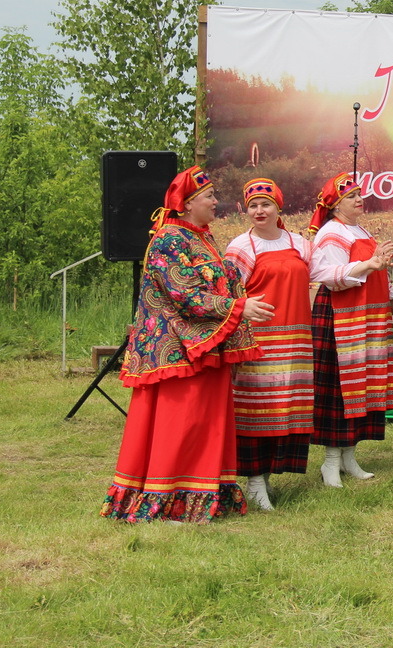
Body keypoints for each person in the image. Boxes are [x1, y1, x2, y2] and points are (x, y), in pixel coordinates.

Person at [100, 165, 274, 524]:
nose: (215, 201)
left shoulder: (202, 237)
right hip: (177, 350)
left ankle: (199, 498)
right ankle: (167, 500)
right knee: (180, 424)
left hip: (204, 346)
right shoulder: (169, 239)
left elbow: (217, 283)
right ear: (188, 202)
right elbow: (184, 293)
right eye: (209, 196)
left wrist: (239, 302)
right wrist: (238, 308)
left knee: (203, 425)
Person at [224, 178, 378, 509]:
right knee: (258, 410)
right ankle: (254, 480)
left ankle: (268, 476)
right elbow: (228, 294)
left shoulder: (299, 244)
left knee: (287, 410)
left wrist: (366, 266)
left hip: (296, 341)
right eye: (253, 205)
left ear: (278, 207)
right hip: (260, 341)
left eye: (266, 204)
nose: (259, 211)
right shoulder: (240, 247)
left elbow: (327, 274)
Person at [307, 172, 393, 487]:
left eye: (360, 194)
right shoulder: (331, 233)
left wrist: (392, 302)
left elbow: (379, 271)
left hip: (369, 316)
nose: (359, 199)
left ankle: (349, 457)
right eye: (351, 196)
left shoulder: (360, 230)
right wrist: (368, 264)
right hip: (341, 317)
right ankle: (330, 463)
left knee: (361, 385)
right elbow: (326, 274)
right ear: (336, 205)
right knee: (340, 390)